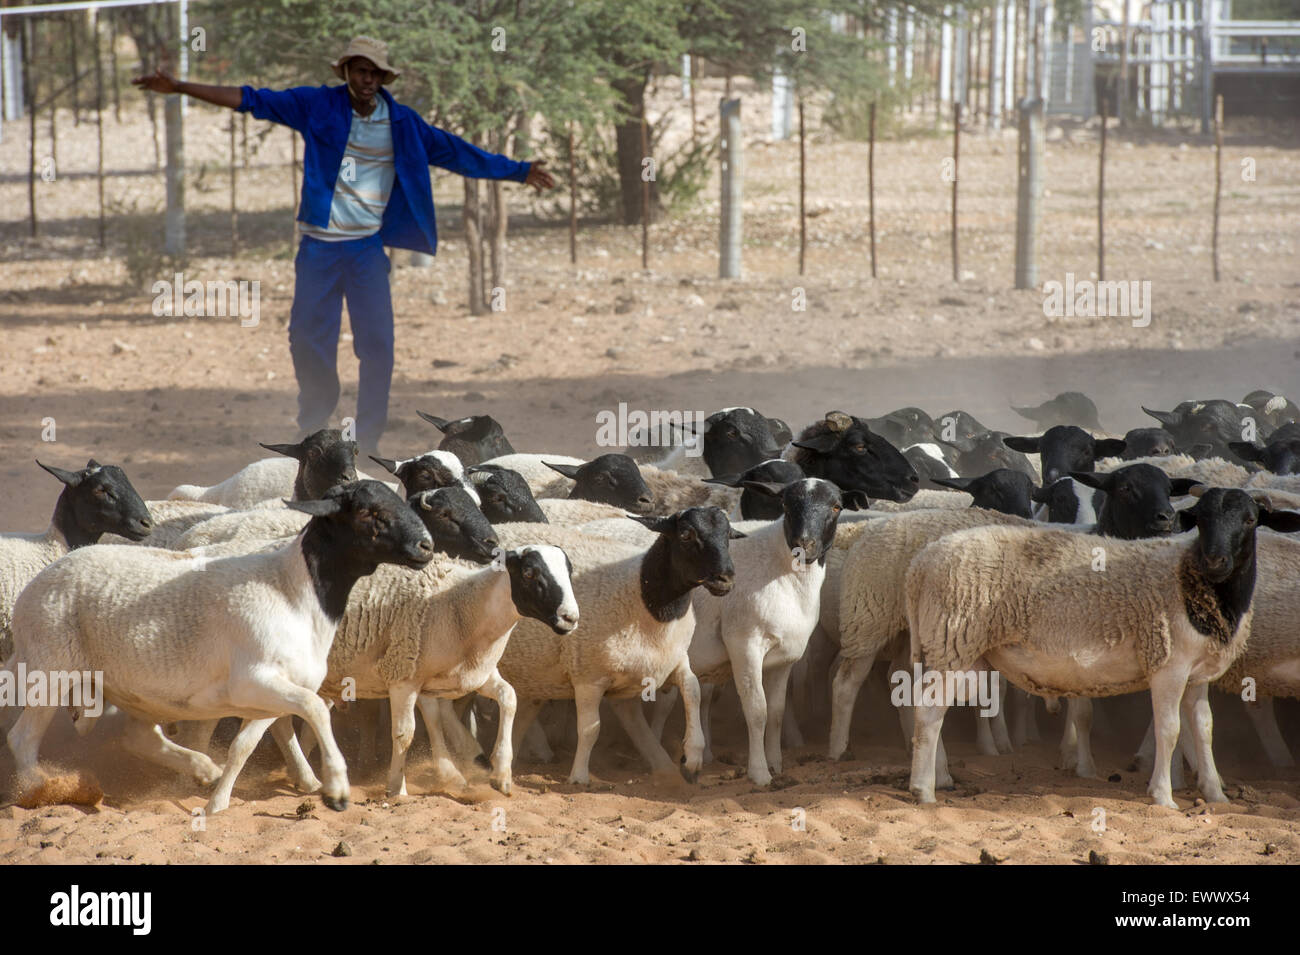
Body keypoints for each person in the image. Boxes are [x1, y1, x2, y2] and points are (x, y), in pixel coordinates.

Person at [133, 36, 555, 456]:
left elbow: (459, 153)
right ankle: (315, 427)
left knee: (378, 346)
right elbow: (251, 99)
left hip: (366, 250)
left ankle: (367, 440)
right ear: (347, 73)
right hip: (319, 248)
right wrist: (182, 87)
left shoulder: (403, 124)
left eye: (375, 72)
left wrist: (519, 171)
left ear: (384, 77)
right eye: (360, 71)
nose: (367, 79)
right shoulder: (317, 105)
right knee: (306, 339)